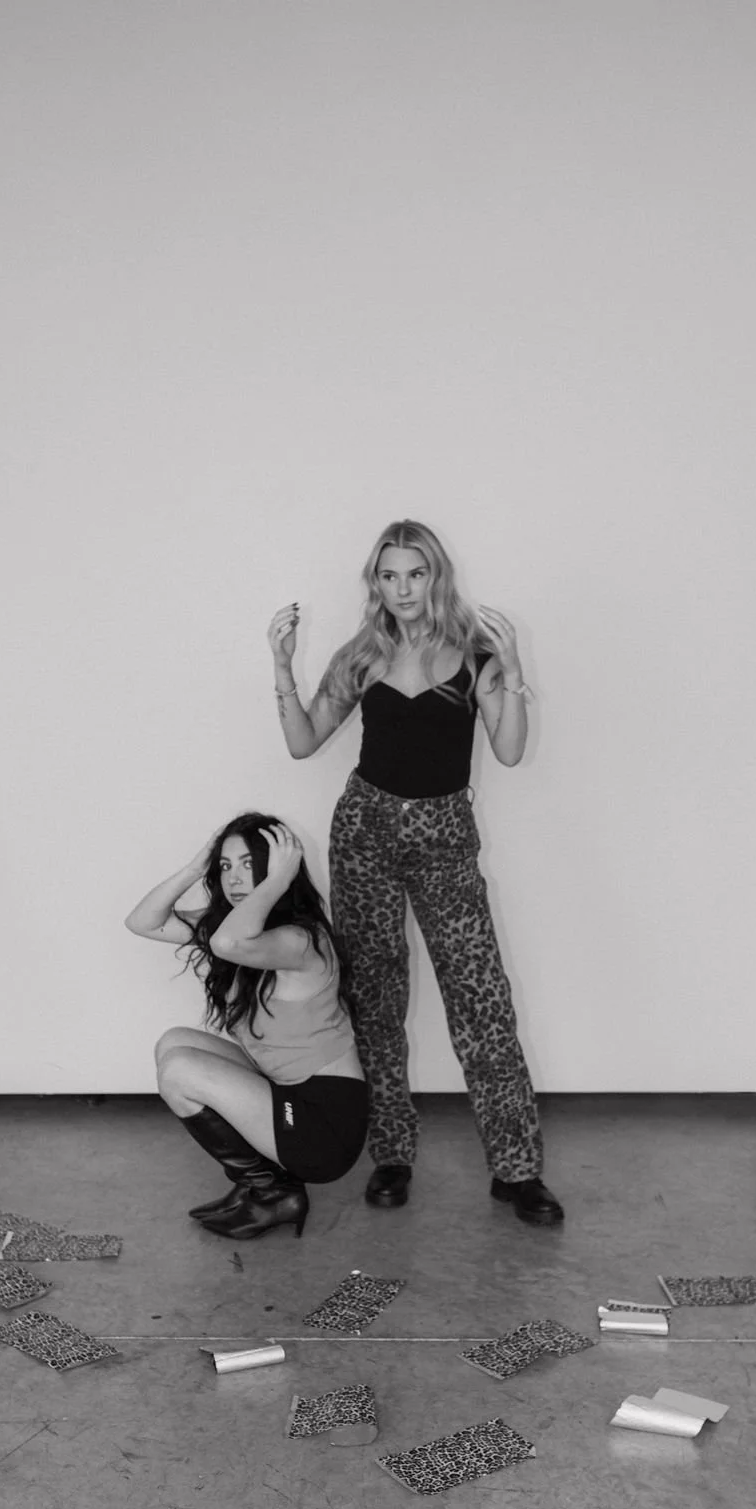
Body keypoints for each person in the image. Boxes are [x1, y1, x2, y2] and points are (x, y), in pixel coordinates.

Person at [266, 520, 564, 1226]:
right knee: (374, 999)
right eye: (389, 576)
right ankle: (391, 1156)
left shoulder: (476, 653)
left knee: (482, 1001)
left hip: (443, 837)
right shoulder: (362, 655)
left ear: (437, 577)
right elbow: (304, 743)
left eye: (415, 574)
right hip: (365, 831)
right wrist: (281, 667)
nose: (401, 589)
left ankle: (517, 1172)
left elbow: (512, 751)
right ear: (376, 582)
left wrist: (515, 672)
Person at [125, 814, 367, 1240]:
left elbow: (227, 943)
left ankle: (273, 1192)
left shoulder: (302, 938)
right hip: (285, 1091)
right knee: (174, 1045)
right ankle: (261, 1184)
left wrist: (275, 882)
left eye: (249, 865)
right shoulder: (236, 926)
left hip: (323, 1122)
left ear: (278, 868)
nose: (234, 878)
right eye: (226, 866)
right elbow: (142, 922)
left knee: (181, 1070)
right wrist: (196, 867)